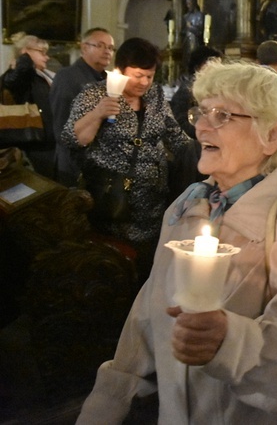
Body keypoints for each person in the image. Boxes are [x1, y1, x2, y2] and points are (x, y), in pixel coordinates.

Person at [77, 61, 277, 423]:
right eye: (202, 112)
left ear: (272, 135)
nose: (202, 125)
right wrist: (107, 405)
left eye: (223, 115)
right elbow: (146, 318)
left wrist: (230, 342)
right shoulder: (187, 207)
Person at [61, 38, 191, 282]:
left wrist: (201, 150)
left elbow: (175, 135)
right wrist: (99, 113)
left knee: (149, 267)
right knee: (115, 271)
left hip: (153, 203)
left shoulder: (155, 96)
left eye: (150, 76)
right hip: (114, 203)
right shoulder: (93, 94)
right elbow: (73, 139)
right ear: (120, 69)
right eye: (138, 75)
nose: (144, 83)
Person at [50, 27, 115, 186]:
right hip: (75, 164)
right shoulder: (67, 77)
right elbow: (62, 127)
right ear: (84, 47)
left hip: (101, 162)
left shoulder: (109, 79)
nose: (107, 51)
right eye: (100, 45)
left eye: (110, 48)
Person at [0, 33, 56, 177]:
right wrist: (24, 58)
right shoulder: (20, 74)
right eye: (41, 52)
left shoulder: (45, 75)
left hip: (50, 142)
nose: (47, 57)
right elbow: (15, 79)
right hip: (34, 144)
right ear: (25, 51)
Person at [170, 46, 223, 139]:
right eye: (213, 65)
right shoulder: (186, 90)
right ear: (198, 68)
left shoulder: (217, 89)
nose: (217, 70)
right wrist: (205, 131)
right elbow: (179, 123)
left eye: (219, 65)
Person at [181, 0, 205, 65]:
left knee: (194, 58)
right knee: (186, 59)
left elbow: (200, 31)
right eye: (187, 4)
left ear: (194, 3)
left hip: (195, 41)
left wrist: (190, 27)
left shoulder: (199, 15)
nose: (188, 6)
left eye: (190, 3)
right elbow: (183, 30)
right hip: (186, 41)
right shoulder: (186, 16)